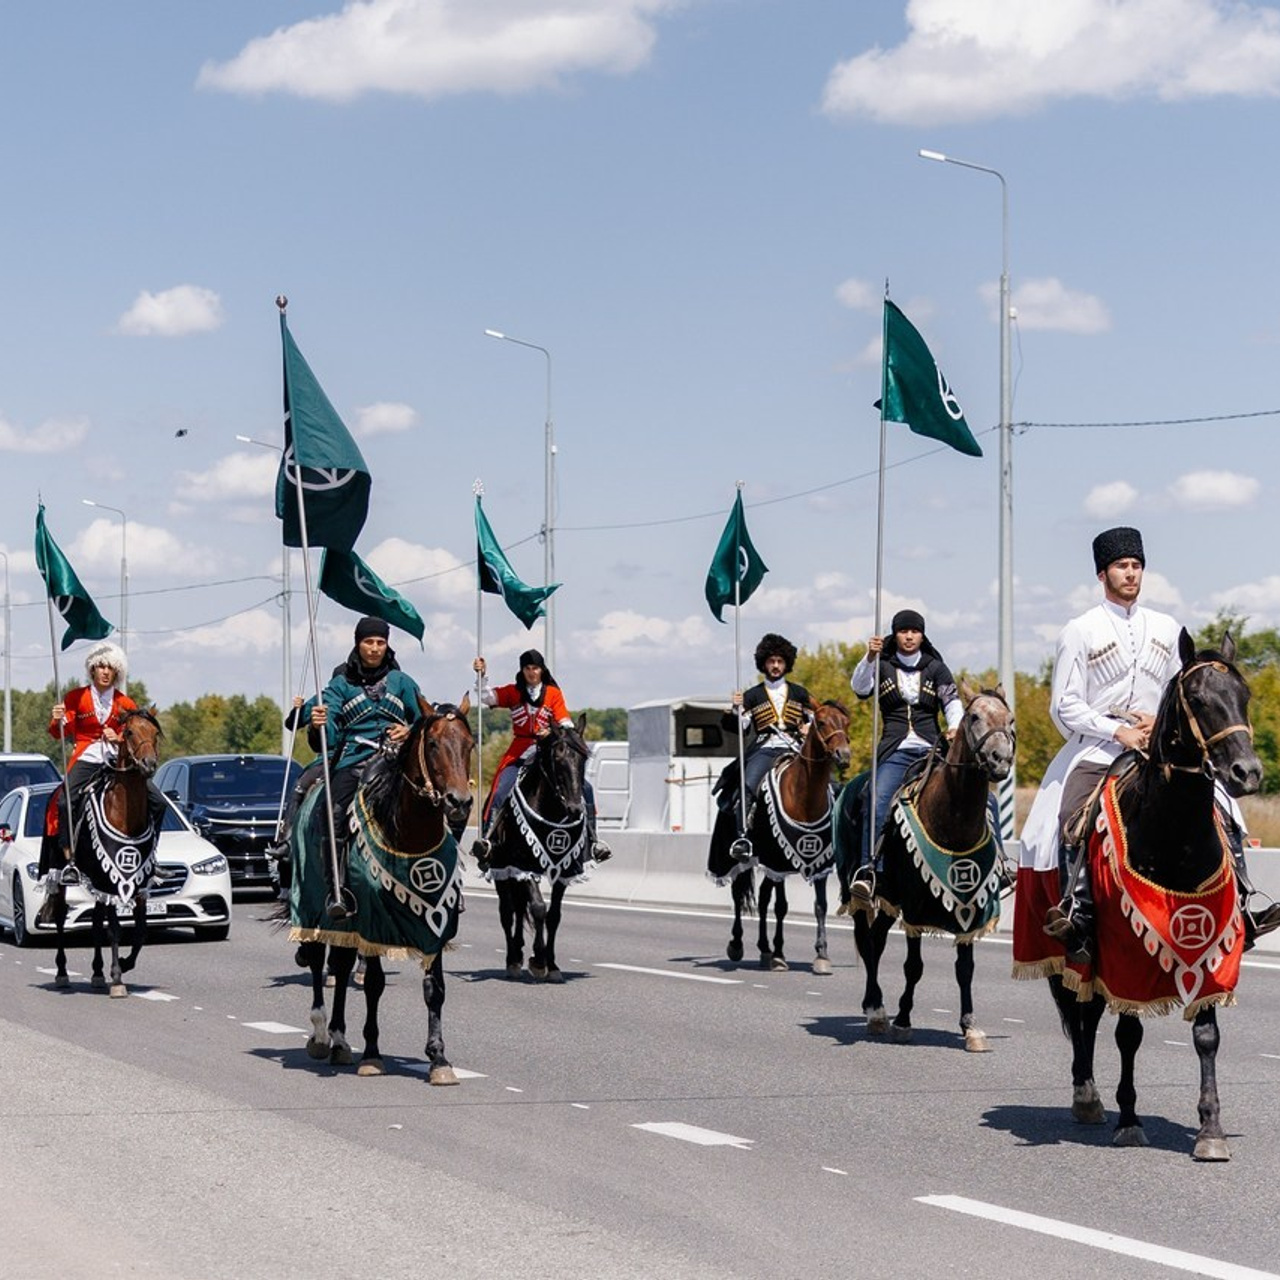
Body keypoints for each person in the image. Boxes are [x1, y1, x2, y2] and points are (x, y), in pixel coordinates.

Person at [1021, 527, 1280, 966]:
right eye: (1122, 567)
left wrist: (1158, 722)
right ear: (1102, 574)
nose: (1131, 574)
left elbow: (1188, 693)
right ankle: (1077, 911)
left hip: (1161, 746)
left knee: (1227, 810)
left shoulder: (1166, 627)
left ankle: (1244, 905)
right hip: (1098, 748)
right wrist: (1115, 731)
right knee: (1066, 817)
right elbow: (1063, 706)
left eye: (1137, 566)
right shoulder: (1079, 630)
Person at [846, 609, 964, 904]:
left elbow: (952, 703)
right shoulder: (882, 664)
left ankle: (991, 863)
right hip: (895, 751)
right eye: (903, 631)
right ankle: (869, 869)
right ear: (894, 634)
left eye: (915, 631)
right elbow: (860, 687)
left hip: (932, 750)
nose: (909, 636)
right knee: (875, 798)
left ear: (922, 635)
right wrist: (869, 657)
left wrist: (954, 728)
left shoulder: (936, 668)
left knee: (980, 797)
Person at [308, 617, 422, 888]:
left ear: (387, 646)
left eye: (380, 642)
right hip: (354, 760)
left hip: (396, 760)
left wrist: (408, 731)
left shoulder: (402, 681)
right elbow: (331, 724)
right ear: (358, 644)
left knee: (434, 796)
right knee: (333, 811)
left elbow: (423, 718)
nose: (374, 648)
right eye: (368, 641)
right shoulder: (341, 684)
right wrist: (318, 723)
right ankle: (335, 885)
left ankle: (444, 876)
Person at [472, 649, 610, 862]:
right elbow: (487, 697)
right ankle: (488, 840)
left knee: (586, 788)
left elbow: (564, 720)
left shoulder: (553, 693)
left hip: (548, 749)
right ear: (522, 670)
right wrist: (482, 676)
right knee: (501, 789)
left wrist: (559, 731)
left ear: (542, 669)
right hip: (520, 748)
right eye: (527, 668)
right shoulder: (514, 692)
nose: (531, 672)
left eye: (535, 668)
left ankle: (593, 842)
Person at [47, 639, 167, 862]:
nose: (105, 672)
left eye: (110, 668)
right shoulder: (76, 697)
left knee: (159, 802)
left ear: (117, 673)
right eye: (101, 666)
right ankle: (66, 852)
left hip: (117, 758)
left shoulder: (126, 702)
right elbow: (60, 732)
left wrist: (119, 737)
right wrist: (58, 721)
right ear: (93, 669)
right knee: (64, 801)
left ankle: (152, 854)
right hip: (87, 756)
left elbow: (137, 732)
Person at [716, 633, 813, 848]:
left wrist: (809, 729)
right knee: (748, 785)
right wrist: (735, 708)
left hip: (796, 749)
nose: (776, 665)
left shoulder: (800, 693)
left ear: (786, 663)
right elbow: (742, 727)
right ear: (764, 664)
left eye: (780, 661)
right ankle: (742, 838)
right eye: (771, 661)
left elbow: (819, 721)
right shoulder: (752, 695)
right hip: (765, 749)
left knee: (826, 784)